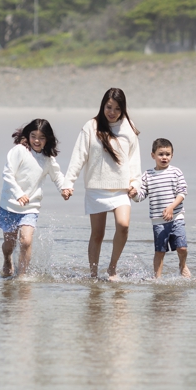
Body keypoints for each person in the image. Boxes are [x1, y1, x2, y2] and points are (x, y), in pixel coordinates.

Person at [60, 88, 142, 281]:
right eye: (108, 107)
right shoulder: (91, 126)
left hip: (121, 188)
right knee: (97, 234)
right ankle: (93, 274)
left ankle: (112, 268)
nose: (111, 112)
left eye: (116, 109)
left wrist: (135, 182)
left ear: (123, 110)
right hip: (96, 188)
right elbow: (79, 156)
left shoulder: (129, 127)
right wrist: (68, 182)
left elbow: (134, 159)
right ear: (103, 105)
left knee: (123, 226)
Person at [0, 118, 70, 278]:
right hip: (9, 205)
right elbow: (7, 174)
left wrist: (64, 188)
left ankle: (22, 276)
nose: (37, 140)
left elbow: (57, 176)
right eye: (33, 136)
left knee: (26, 240)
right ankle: (7, 259)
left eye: (42, 137)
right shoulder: (19, 151)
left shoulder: (47, 158)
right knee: (9, 245)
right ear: (27, 135)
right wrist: (19, 194)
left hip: (30, 207)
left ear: (47, 140)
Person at [133, 138, 189, 279]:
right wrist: (133, 194)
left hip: (177, 216)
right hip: (158, 220)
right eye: (161, 154)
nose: (164, 157)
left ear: (172, 155)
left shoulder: (176, 172)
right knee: (160, 251)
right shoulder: (147, 175)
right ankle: (157, 278)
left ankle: (182, 265)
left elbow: (182, 193)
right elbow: (141, 196)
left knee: (182, 247)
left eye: (167, 154)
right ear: (153, 155)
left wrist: (171, 207)